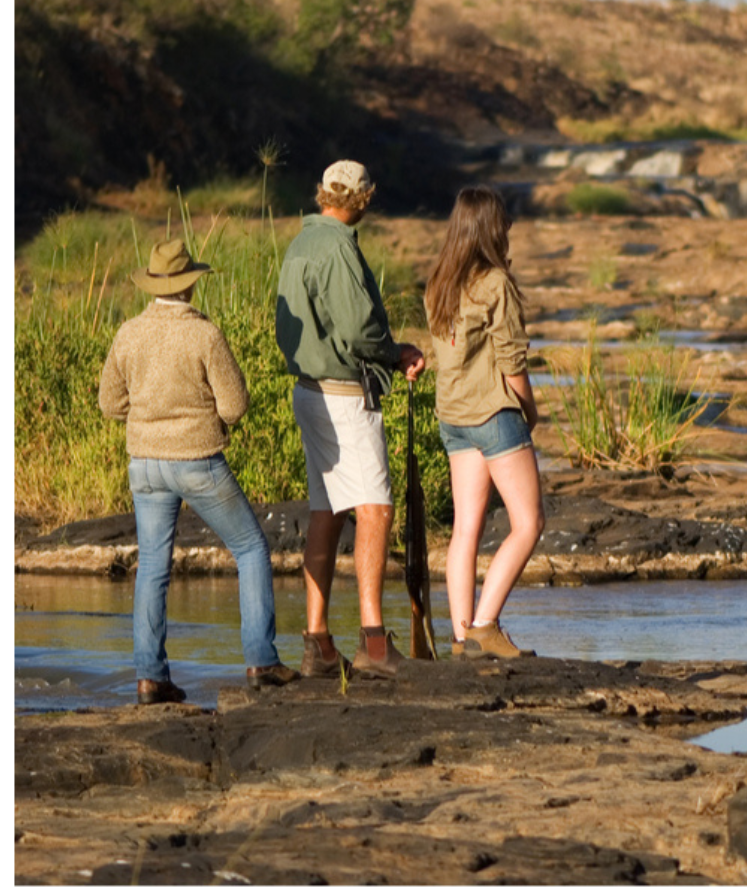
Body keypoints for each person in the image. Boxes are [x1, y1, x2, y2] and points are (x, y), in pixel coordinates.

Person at [100, 238, 298, 705]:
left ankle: (150, 678)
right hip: (197, 460)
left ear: (154, 286)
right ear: (190, 286)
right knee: (250, 548)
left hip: (144, 463)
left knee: (152, 566)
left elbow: (110, 404)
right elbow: (234, 407)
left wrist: (148, 413)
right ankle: (261, 661)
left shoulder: (128, 332)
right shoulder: (204, 334)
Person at [276, 160, 425, 679]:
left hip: (308, 391)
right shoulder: (339, 246)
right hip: (342, 394)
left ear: (323, 194)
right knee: (375, 510)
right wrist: (397, 352)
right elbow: (361, 329)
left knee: (327, 511)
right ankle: (374, 643)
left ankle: (317, 642)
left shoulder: (299, 244)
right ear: (362, 200)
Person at [424, 185, 545, 658]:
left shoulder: (439, 281)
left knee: (465, 529)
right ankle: (486, 624)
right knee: (529, 523)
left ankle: (461, 638)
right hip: (493, 413)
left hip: (452, 416)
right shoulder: (496, 284)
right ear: (491, 229)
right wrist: (529, 412)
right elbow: (513, 363)